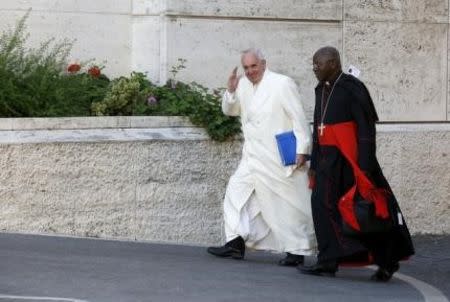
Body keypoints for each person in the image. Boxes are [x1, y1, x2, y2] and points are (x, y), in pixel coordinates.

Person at [299, 46, 414, 281]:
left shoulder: (353, 88)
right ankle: (328, 261)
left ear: (332, 63)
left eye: (317, 64)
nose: (314, 68)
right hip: (325, 162)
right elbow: (318, 127)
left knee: (364, 213)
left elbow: (366, 129)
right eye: (313, 64)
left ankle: (387, 261)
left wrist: (365, 165)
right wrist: (313, 161)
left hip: (350, 162)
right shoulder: (321, 89)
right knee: (321, 207)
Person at [207, 48, 317, 266]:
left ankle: (297, 250)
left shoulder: (282, 83)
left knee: (287, 203)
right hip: (251, 156)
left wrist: (303, 149)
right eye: (246, 67)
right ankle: (235, 242)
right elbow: (231, 110)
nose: (250, 71)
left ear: (263, 64)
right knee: (235, 191)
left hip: (277, 155)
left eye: (253, 66)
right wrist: (230, 91)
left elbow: (298, 117)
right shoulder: (244, 85)